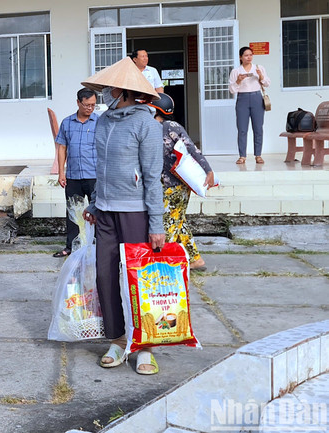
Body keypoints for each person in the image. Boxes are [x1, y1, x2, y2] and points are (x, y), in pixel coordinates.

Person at [80, 57, 165, 375]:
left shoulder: (146, 123)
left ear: (125, 90)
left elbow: (152, 176)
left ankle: (144, 346)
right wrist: (94, 204)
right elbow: (102, 169)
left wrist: (156, 223)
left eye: (110, 87)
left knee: (139, 280)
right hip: (105, 212)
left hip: (136, 213)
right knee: (104, 276)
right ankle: (117, 339)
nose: (104, 92)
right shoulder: (104, 121)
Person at [147, 93, 214, 272]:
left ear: (155, 108)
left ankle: (161, 261)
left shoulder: (170, 126)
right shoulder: (153, 127)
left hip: (174, 186)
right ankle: (194, 259)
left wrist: (208, 170)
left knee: (167, 223)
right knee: (178, 220)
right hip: (165, 185)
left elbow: (192, 148)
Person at [53, 88, 99, 258]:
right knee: (73, 212)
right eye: (87, 105)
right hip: (73, 175)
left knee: (98, 212)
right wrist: (61, 172)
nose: (90, 108)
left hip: (94, 176)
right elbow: (62, 147)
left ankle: (99, 246)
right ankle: (71, 247)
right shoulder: (67, 123)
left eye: (93, 105)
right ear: (78, 102)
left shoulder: (99, 122)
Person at [229, 46, 271, 165]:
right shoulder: (236, 71)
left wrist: (260, 76)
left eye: (251, 55)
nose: (249, 57)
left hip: (257, 98)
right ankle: (242, 156)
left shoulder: (259, 68)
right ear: (240, 57)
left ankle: (258, 155)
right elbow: (232, 90)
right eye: (246, 55)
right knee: (242, 129)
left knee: (258, 128)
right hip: (242, 99)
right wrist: (238, 81)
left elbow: (267, 83)